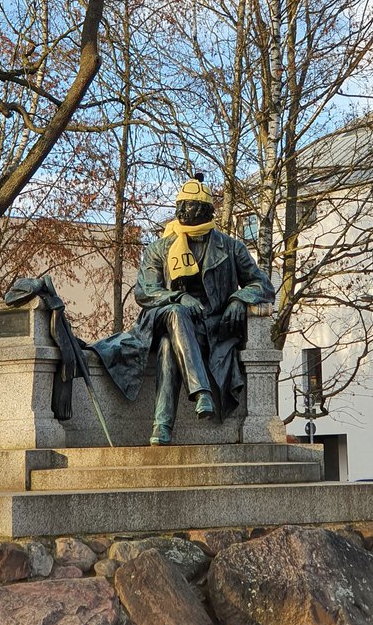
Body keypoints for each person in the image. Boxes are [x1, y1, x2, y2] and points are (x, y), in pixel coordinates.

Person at [92, 175, 274, 444]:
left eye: (186, 206)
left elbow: (263, 284)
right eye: (178, 205)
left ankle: (162, 427)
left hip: (209, 329)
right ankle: (201, 392)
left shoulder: (231, 248)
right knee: (175, 313)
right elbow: (145, 291)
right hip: (162, 319)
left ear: (203, 210)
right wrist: (179, 297)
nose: (179, 211)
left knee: (168, 345)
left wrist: (238, 298)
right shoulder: (160, 248)